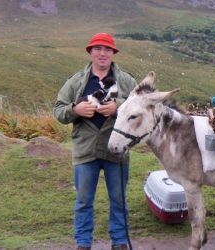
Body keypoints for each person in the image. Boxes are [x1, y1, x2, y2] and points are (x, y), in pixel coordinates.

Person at [53, 33, 137, 250]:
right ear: (90, 52)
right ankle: (83, 243)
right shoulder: (76, 82)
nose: (102, 53)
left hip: (117, 150)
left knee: (119, 200)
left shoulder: (127, 81)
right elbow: (59, 111)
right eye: (98, 49)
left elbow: (140, 107)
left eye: (107, 49)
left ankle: (119, 242)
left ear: (113, 53)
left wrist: (118, 106)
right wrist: (75, 110)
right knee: (83, 202)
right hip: (85, 150)